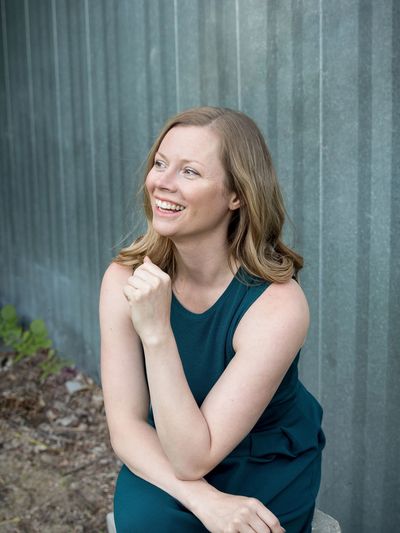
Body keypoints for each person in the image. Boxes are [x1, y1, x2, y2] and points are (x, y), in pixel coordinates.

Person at [99, 106, 325, 533]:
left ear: (236, 195)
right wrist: (205, 500)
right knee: (151, 525)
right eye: (161, 164)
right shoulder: (124, 280)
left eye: (190, 172)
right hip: (167, 452)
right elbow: (127, 428)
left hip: (262, 462)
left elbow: (196, 455)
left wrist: (157, 332)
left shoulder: (277, 304)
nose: (162, 183)